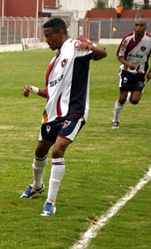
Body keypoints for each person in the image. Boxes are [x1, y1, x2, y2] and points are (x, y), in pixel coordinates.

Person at [20, 18, 107, 216]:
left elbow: (103, 53)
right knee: (40, 151)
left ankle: (50, 202)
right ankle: (37, 185)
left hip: (73, 111)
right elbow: (51, 93)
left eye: (49, 36)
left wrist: (92, 47)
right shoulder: (53, 62)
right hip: (52, 115)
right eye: (45, 37)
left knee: (58, 150)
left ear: (61, 33)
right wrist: (33, 90)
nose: (47, 41)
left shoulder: (75, 46)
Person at [111, 19, 151, 129]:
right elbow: (120, 56)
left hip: (140, 73)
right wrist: (128, 64)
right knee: (122, 98)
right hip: (126, 71)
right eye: (136, 25)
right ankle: (115, 120)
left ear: (145, 27)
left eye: (141, 25)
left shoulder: (149, 40)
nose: (138, 27)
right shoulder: (127, 39)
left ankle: (129, 95)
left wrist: (150, 72)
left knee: (135, 101)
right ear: (134, 27)